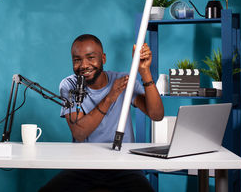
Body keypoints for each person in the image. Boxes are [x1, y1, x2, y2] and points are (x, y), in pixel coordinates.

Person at [39, 34, 164, 192]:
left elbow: (156, 114)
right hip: (83, 168)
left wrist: (144, 72)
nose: (84, 65)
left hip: (124, 166)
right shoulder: (69, 85)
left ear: (103, 58)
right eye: (77, 59)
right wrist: (110, 96)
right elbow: (79, 132)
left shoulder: (123, 80)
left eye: (91, 57)